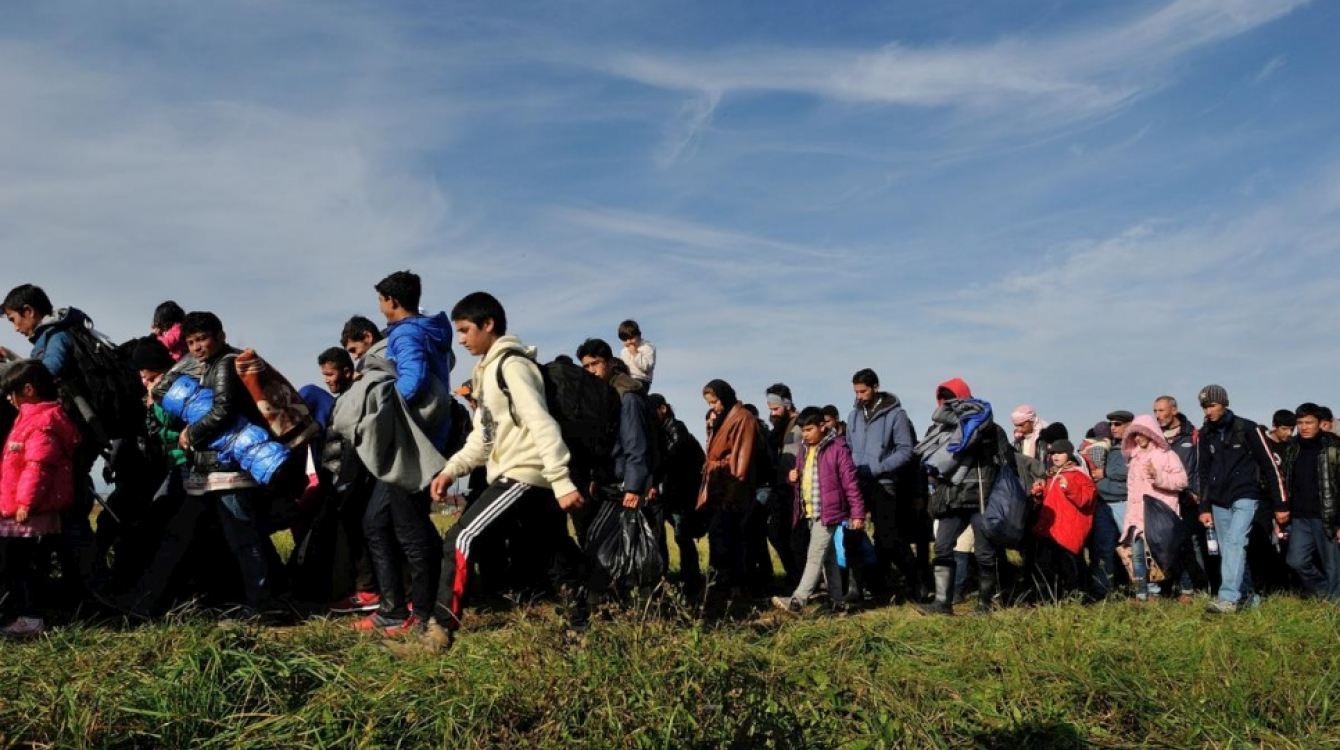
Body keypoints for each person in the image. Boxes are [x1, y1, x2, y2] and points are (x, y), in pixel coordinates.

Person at [394, 292, 589, 654]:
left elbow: (539, 421)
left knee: (460, 538)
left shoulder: (513, 366)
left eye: (466, 330)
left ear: (489, 325)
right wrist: (451, 470)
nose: (462, 338)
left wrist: (561, 479)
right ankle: (581, 631)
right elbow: (484, 438)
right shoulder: (486, 372)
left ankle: (438, 633)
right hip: (524, 476)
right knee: (555, 554)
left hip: (524, 474)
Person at [352, 271, 454, 636]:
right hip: (417, 441)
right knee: (376, 523)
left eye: (380, 300)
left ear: (391, 301)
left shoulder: (408, 333)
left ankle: (423, 613)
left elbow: (413, 380)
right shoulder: (427, 332)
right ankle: (394, 608)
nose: (379, 307)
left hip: (411, 446)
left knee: (410, 532)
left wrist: (380, 413)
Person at [913, 377, 1013, 615]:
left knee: (984, 553)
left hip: (982, 498)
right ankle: (942, 603)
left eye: (952, 398)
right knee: (943, 546)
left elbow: (1006, 462)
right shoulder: (937, 431)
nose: (949, 404)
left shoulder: (989, 428)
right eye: (944, 399)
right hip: (952, 498)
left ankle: (985, 605)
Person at [0, 361, 82, 637]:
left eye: (11, 393)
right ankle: (26, 612)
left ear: (28, 390)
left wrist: (26, 503)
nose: (9, 399)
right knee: (22, 564)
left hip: (30, 514)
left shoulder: (41, 423)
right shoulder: (32, 418)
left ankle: (30, 617)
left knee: (22, 566)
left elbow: (38, 467)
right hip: (26, 511)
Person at [576, 338, 659, 601]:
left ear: (610, 363)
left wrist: (634, 486)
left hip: (625, 484)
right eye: (586, 366)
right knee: (609, 544)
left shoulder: (627, 395)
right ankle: (619, 597)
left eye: (596, 364)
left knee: (632, 544)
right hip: (608, 482)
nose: (591, 370)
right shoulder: (602, 395)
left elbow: (636, 444)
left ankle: (642, 600)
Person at [1196, 385, 1287, 614]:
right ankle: (1247, 596)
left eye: (1212, 405)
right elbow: (1203, 473)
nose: (1208, 411)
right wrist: (1204, 506)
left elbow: (1270, 466)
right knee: (1230, 550)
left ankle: (1227, 598)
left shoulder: (1248, 428)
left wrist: (1281, 503)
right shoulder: (1205, 433)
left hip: (1246, 494)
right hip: (1218, 499)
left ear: (1224, 403)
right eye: (1204, 407)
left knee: (1236, 542)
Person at [771, 407, 866, 615]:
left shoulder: (838, 448)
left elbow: (850, 483)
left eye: (809, 429)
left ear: (822, 426)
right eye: (803, 430)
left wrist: (858, 513)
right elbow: (804, 480)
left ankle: (798, 601)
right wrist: (792, 478)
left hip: (829, 511)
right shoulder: (804, 450)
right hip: (810, 511)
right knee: (828, 558)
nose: (805, 434)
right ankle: (837, 602)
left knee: (814, 556)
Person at [846, 368, 925, 603]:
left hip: (884, 483)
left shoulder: (896, 415)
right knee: (852, 535)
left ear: (875, 386)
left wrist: (879, 468)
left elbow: (905, 451)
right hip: (858, 483)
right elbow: (848, 448)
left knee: (888, 537)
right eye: (856, 391)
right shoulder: (853, 416)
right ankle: (857, 588)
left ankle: (916, 581)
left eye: (863, 390)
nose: (860, 396)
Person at [699, 379, 759, 597]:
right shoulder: (724, 419)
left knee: (729, 536)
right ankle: (725, 583)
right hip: (721, 485)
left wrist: (732, 493)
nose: (712, 407)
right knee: (722, 536)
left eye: (714, 402)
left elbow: (741, 460)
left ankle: (735, 585)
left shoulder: (743, 418)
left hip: (733, 487)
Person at [1120, 415, 1189, 601]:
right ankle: (1143, 594)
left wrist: (1158, 476)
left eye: (1142, 434)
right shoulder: (1134, 460)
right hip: (1137, 515)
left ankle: (1184, 589)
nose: (1138, 438)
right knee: (1138, 556)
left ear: (1152, 434)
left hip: (1160, 514)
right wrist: (1129, 519)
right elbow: (1132, 492)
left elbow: (1182, 481)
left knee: (1166, 555)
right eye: (1134, 435)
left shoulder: (1167, 455)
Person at [1279, 403, 1340, 600]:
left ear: (1320, 424)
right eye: (1300, 423)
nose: (1304, 427)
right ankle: (1323, 591)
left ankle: (1334, 604)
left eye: (1309, 422)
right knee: (1296, 561)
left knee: (1332, 564)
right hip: (1299, 516)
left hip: (1327, 515)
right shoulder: (1292, 447)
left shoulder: (1333, 447)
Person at [648, 394, 708, 597]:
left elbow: (673, 457)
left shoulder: (676, 429)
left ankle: (691, 582)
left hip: (679, 494)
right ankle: (680, 579)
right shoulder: (662, 431)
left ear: (663, 408)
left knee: (682, 536)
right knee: (669, 536)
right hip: (672, 493)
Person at [1153, 395, 1210, 594]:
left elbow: (1199, 467)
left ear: (1174, 410)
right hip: (1163, 498)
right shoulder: (1155, 436)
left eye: (1161, 410)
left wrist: (1196, 493)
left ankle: (1199, 586)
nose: (1157, 415)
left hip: (1187, 498)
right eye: (1155, 411)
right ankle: (1168, 587)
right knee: (1165, 544)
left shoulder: (1192, 435)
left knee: (1191, 543)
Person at [1027, 440, 1096, 602]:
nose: (1055, 456)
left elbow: (1087, 500)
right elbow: (1050, 501)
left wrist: (1069, 487)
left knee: (1070, 568)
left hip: (1068, 530)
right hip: (1051, 530)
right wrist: (1038, 494)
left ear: (1069, 454)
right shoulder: (1051, 475)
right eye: (1053, 453)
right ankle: (1050, 600)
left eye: (1060, 453)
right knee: (1047, 567)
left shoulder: (1079, 475)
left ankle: (1077, 599)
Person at [1089, 410, 1133, 600]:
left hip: (1125, 502)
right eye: (1111, 424)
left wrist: (1105, 473)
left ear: (1130, 424)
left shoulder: (1136, 447)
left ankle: (1142, 589)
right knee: (1102, 549)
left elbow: (1129, 473)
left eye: (1118, 424)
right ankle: (1102, 591)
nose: (1113, 427)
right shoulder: (1109, 447)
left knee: (1133, 549)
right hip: (1104, 503)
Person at [616, 320, 656, 386]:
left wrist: (635, 354)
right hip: (627, 379)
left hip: (642, 380)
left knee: (629, 394)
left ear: (639, 335)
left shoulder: (647, 348)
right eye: (625, 339)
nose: (629, 341)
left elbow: (646, 368)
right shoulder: (624, 351)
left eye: (631, 338)